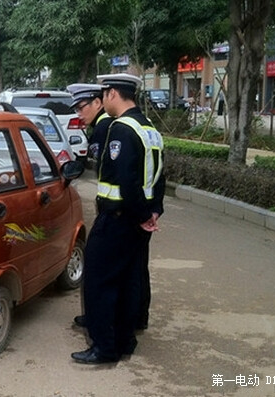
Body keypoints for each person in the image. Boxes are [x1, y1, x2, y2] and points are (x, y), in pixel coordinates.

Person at [71, 73, 165, 364]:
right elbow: (159, 177)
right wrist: (152, 213)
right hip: (138, 220)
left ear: (112, 94)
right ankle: (125, 341)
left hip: (118, 219)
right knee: (127, 282)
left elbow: (127, 181)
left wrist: (138, 215)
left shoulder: (121, 129)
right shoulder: (149, 128)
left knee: (98, 282)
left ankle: (104, 347)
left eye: (105, 93)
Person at [66, 83, 114, 328]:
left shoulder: (105, 128)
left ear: (98, 102)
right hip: (119, 211)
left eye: (82, 107)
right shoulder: (106, 125)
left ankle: (99, 324)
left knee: (97, 268)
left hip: (114, 212)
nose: (79, 113)